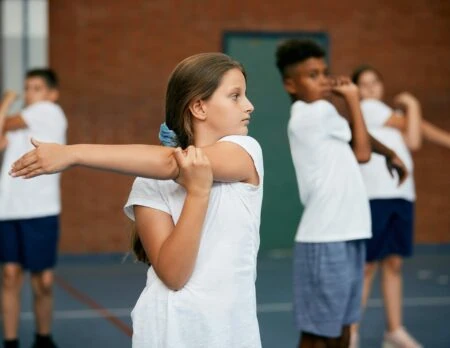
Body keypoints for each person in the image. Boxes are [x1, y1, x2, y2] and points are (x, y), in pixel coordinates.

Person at [10, 53, 264, 348]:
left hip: (228, 335)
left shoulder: (246, 151)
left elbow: (173, 164)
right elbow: (174, 275)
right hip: (164, 332)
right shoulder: (147, 181)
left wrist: (73, 153)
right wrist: (198, 193)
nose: (249, 105)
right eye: (235, 96)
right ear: (198, 106)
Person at [275, 39, 407, 348]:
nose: (323, 80)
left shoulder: (326, 114)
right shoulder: (312, 113)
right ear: (290, 84)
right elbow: (361, 152)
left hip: (350, 230)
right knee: (320, 333)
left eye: (324, 72)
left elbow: (354, 131)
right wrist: (353, 98)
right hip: (326, 235)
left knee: (345, 326)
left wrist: (390, 153)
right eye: (312, 75)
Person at [350, 65, 450, 348]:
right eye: (364, 83)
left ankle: (394, 332)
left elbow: (418, 130)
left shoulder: (388, 116)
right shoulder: (368, 108)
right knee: (368, 265)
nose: (370, 88)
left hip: (402, 194)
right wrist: (413, 104)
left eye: (375, 82)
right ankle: (352, 331)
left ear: (382, 86)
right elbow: (416, 138)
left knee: (393, 263)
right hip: (375, 196)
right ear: (357, 90)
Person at [0, 69, 67, 348]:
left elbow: (8, 120)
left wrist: (6, 99)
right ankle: (12, 341)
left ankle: (43, 338)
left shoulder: (49, 111)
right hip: (8, 210)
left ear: (52, 94)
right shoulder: (15, 128)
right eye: (27, 88)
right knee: (10, 276)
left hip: (40, 209)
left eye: (37, 88)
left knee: (44, 281)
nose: (30, 94)